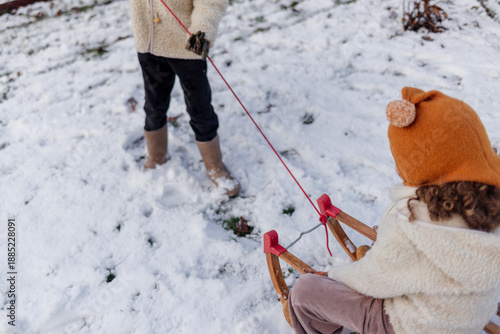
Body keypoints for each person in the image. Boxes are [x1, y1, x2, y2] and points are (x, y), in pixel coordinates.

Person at [288, 87, 500, 334]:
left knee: (305, 292)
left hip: (412, 326)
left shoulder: (412, 225)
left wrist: (333, 276)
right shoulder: (493, 201)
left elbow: (373, 279)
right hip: (470, 316)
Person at [128, 0, 240, 197]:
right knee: (154, 102)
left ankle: (214, 164)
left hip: (187, 48)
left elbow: (212, 3)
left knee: (200, 107)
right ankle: (157, 155)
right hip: (149, 45)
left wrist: (201, 34)